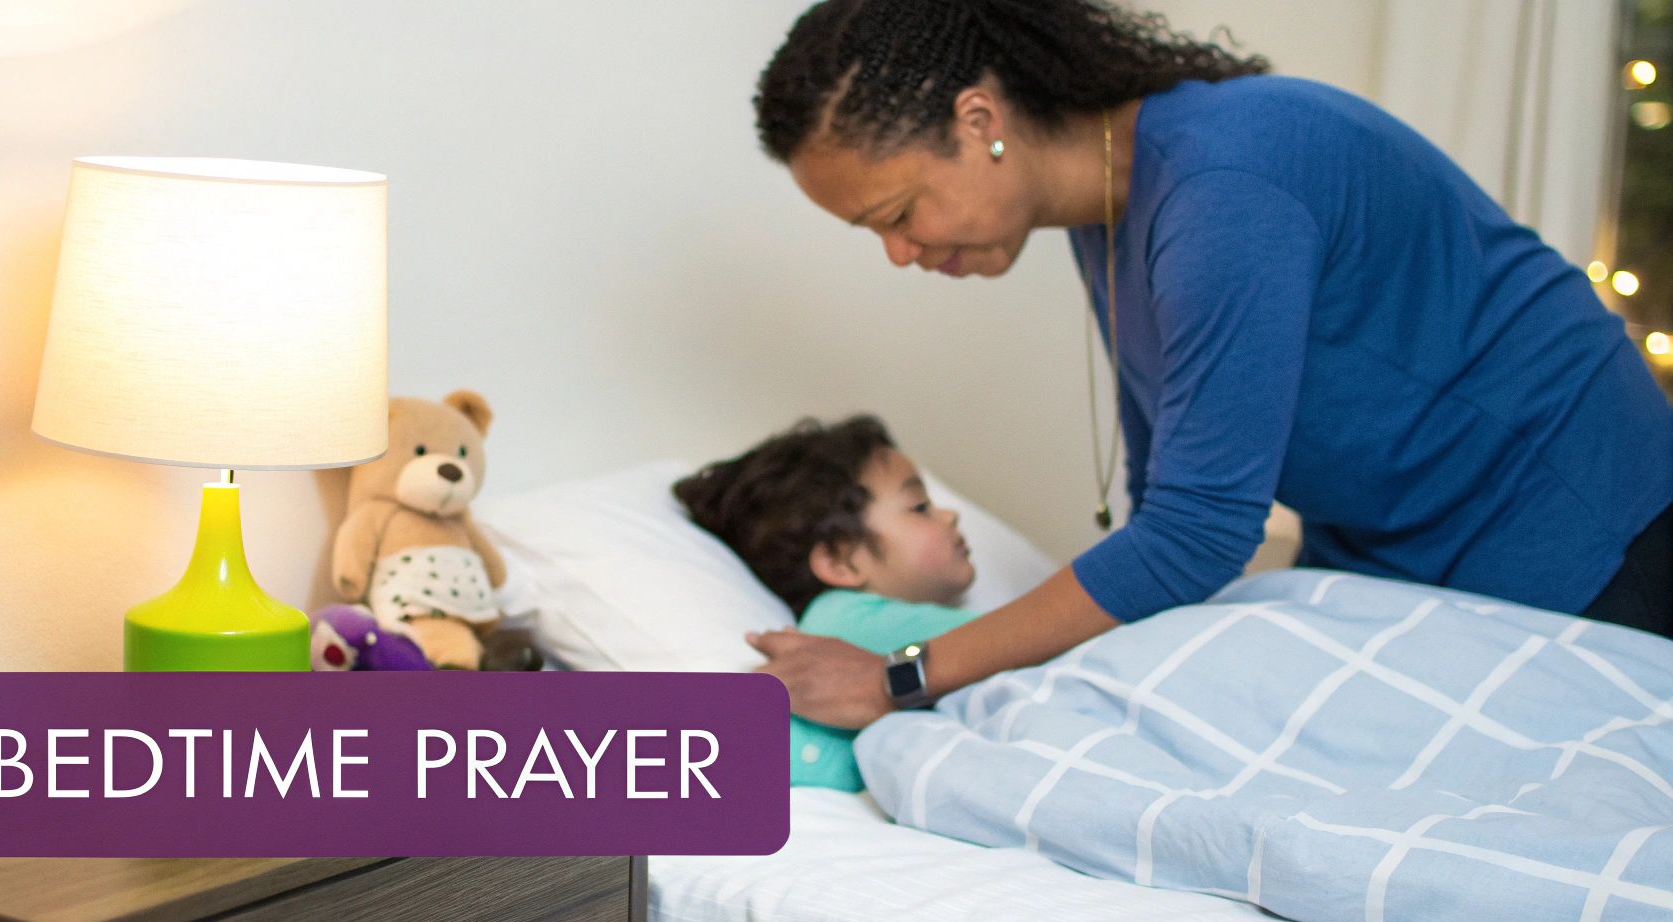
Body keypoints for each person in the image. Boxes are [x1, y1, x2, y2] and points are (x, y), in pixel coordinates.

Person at [746, 0, 1673, 732]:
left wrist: (902, 676)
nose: (900, 255)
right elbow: (1167, 503)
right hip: (1395, 545)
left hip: (1577, 516)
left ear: (978, 118)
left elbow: (1198, 533)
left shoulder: (1225, 183)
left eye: (898, 213)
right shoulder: (1105, 221)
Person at [675, 416, 979, 790]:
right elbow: (1014, 642)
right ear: (841, 561)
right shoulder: (850, 616)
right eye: (919, 507)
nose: (950, 515)